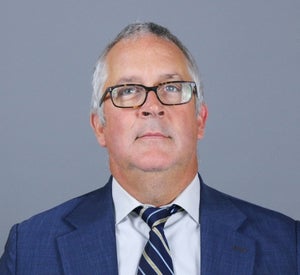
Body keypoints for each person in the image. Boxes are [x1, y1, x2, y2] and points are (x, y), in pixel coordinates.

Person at [0, 22, 299, 275]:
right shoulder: (29, 249)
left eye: (171, 87)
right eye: (128, 91)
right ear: (99, 126)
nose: (152, 106)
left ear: (200, 119)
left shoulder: (287, 245)